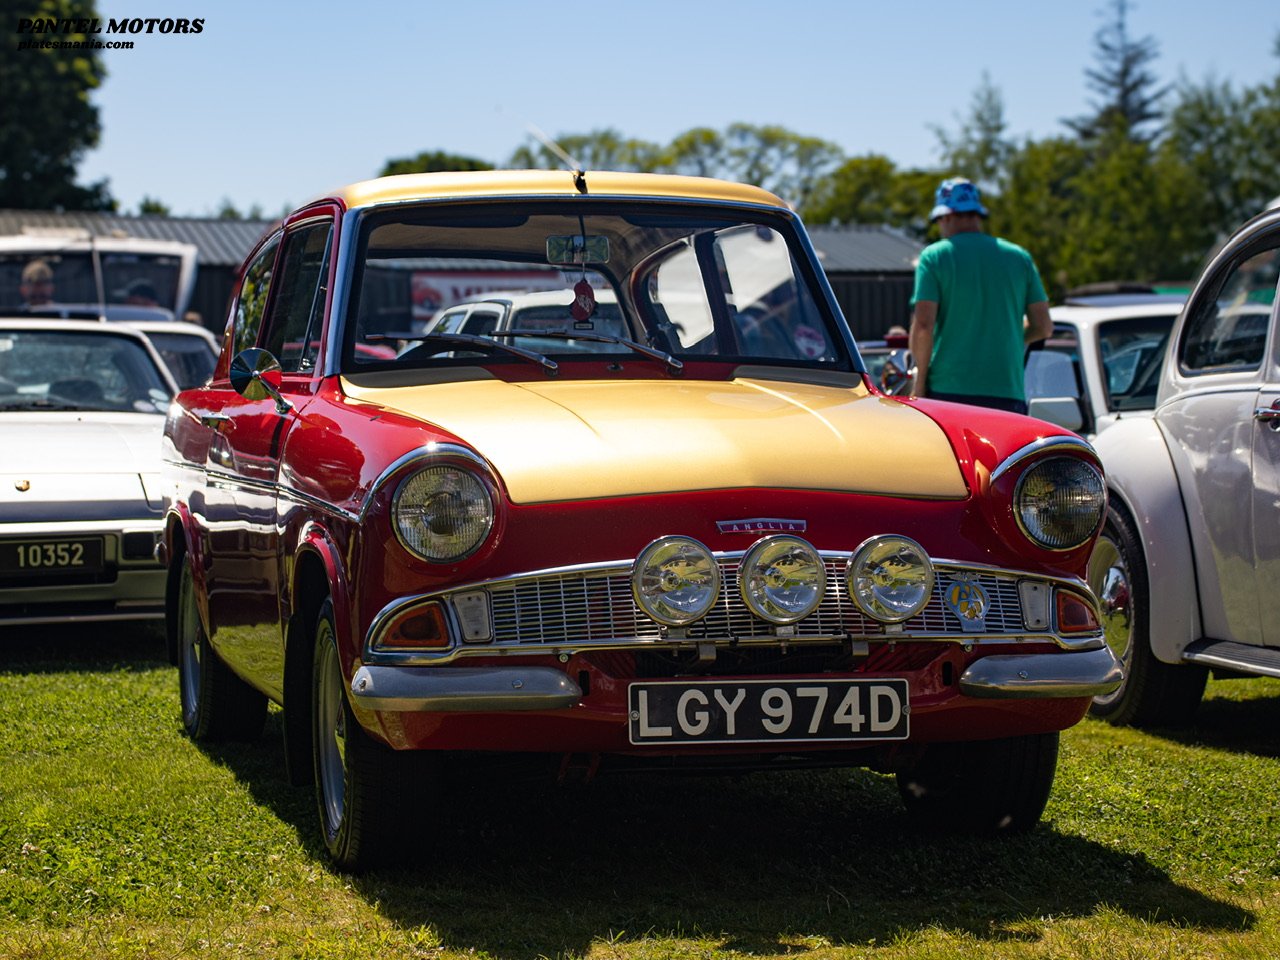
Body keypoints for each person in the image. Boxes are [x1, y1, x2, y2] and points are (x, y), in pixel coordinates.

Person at [908, 177, 1051, 414]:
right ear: (976, 214)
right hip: (1007, 391)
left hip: (948, 390)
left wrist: (919, 384)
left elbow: (923, 325)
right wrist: (1009, 341)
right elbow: (1043, 327)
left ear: (946, 216)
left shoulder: (934, 257)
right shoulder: (1019, 257)